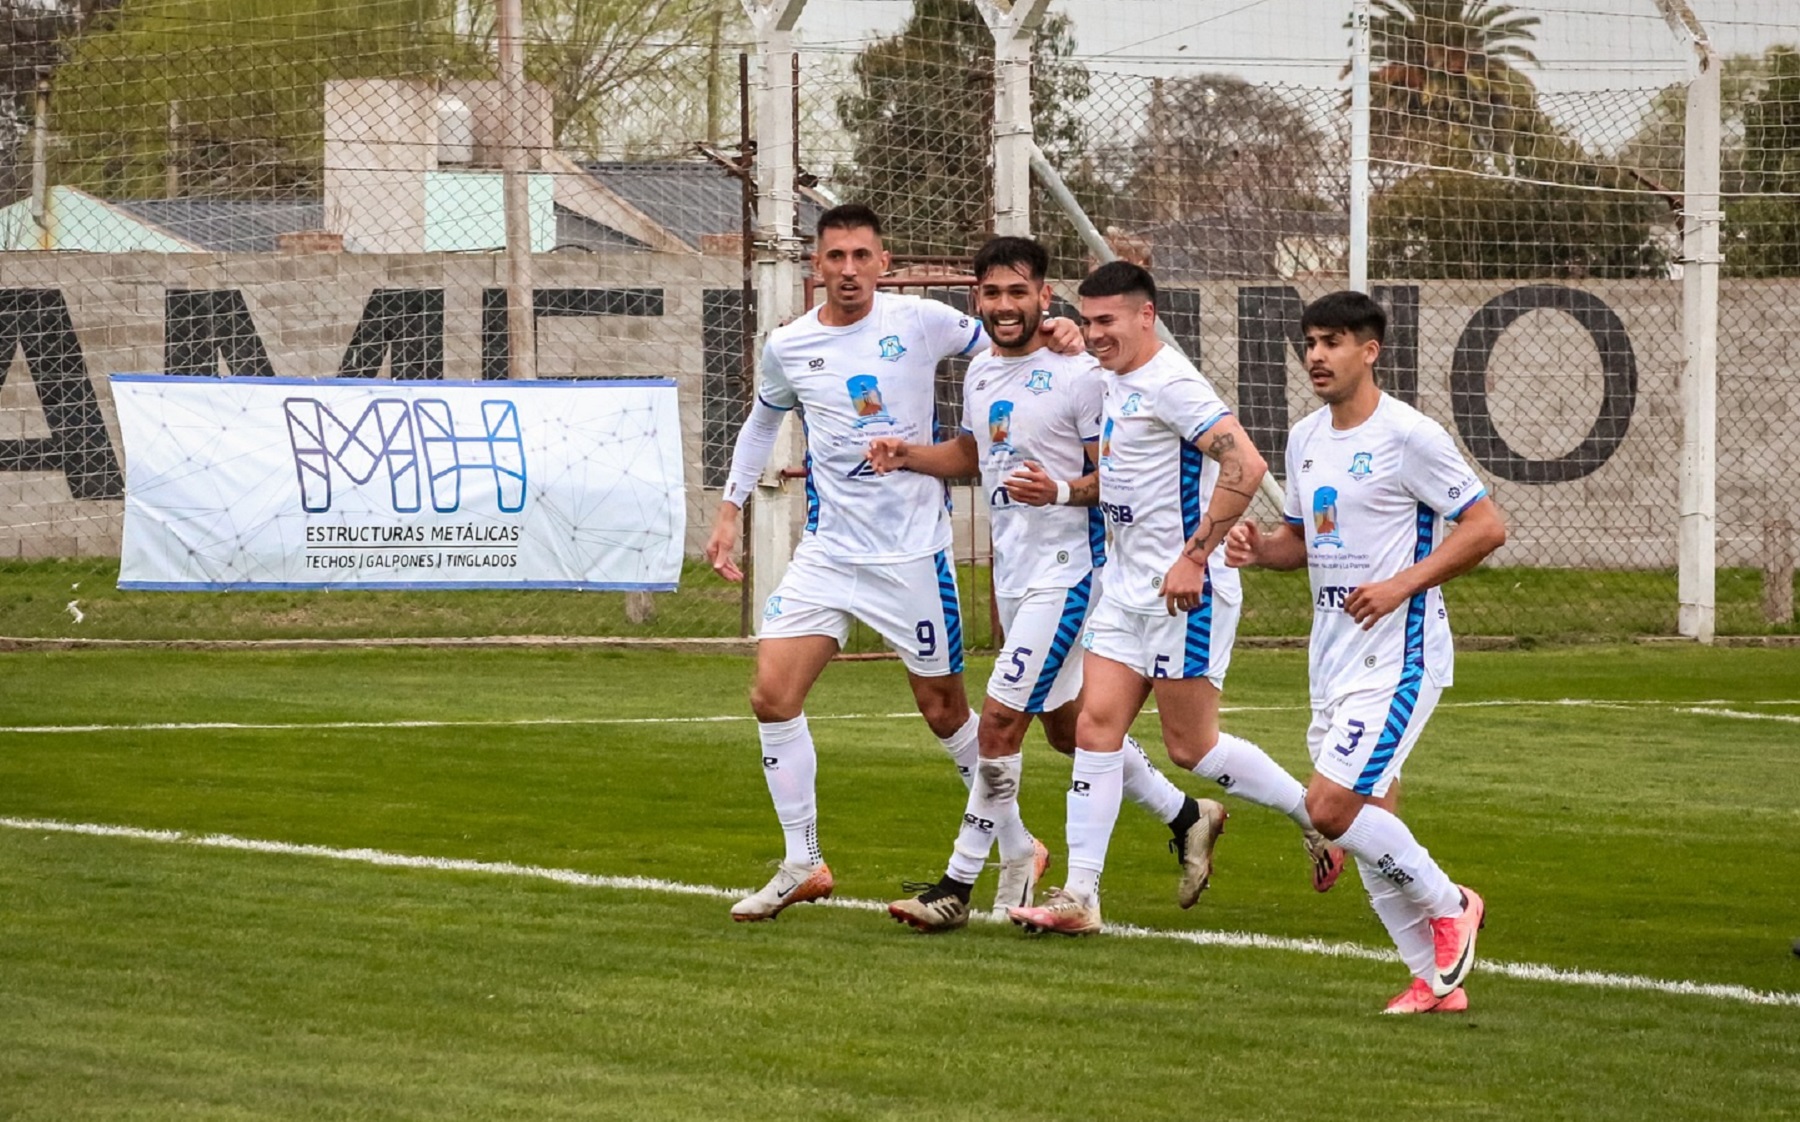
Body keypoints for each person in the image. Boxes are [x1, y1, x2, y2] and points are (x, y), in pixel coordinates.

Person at [705, 204, 1083, 923]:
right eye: (835, 256)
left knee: (945, 712)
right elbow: (762, 423)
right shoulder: (788, 344)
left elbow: (1007, 336)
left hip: (912, 553)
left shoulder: (921, 321)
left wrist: (1058, 331)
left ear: (884, 262)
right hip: (828, 550)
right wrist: (730, 510)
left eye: (861, 256)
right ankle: (802, 860)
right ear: (815, 264)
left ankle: (1018, 845)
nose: (847, 269)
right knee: (771, 694)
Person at [865, 236, 1227, 933]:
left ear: (1044, 296)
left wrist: (1061, 491)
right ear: (977, 300)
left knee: (998, 721)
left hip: (1073, 576)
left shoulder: (1080, 373)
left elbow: (1110, 479)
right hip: (1018, 575)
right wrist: (909, 454)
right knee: (1071, 733)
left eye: (1018, 293)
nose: (1005, 306)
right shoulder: (976, 374)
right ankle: (1188, 815)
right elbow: (975, 453)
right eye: (992, 294)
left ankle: (956, 887)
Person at [1007, 261, 1343, 938]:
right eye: (1091, 319)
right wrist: (1062, 339)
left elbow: (1244, 465)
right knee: (1095, 731)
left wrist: (1195, 556)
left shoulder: (1172, 384)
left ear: (1146, 317)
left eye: (1109, 322)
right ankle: (1081, 895)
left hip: (1187, 594)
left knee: (1191, 749)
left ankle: (1315, 817)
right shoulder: (1111, 379)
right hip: (1127, 590)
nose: (1098, 334)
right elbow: (1126, 475)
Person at [1225, 290, 1505, 1013]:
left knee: (1329, 809)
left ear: (1370, 351)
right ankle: (1434, 981)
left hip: (1398, 655)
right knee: (1373, 821)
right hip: (1333, 658)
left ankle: (1452, 903)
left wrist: (1400, 585)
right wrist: (1262, 549)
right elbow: (1302, 542)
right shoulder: (1305, 437)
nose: (1316, 355)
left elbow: (1485, 527)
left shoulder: (1409, 435)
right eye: (1310, 342)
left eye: (1333, 342)